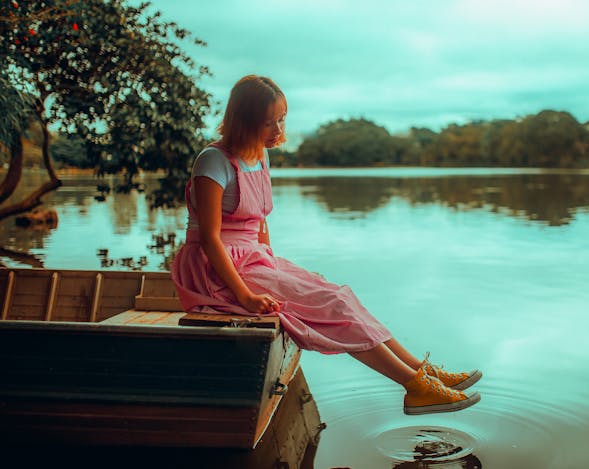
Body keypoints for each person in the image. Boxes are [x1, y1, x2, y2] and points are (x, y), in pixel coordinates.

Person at [170, 75, 481, 415]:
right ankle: (416, 387)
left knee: (339, 296)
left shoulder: (260, 157)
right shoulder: (213, 162)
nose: (277, 130)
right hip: (214, 269)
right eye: (267, 123)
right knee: (331, 304)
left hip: (254, 260)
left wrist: (276, 267)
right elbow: (211, 238)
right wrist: (245, 295)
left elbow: (259, 222)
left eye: (281, 119)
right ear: (243, 122)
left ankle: (420, 371)